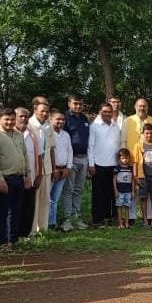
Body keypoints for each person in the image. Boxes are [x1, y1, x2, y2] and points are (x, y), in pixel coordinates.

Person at [0, 108, 28, 250]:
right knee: (4, 210)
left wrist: (27, 174)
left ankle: (13, 239)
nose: (10, 122)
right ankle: (3, 241)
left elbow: (24, 155)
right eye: (6, 119)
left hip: (19, 177)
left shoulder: (18, 135)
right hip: (5, 178)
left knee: (16, 210)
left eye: (12, 119)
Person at [124, 98, 152, 223]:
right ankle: (131, 216)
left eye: (144, 106)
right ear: (135, 107)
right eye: (139, 105)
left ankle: (149, 218)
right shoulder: (128, 121)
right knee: (132, 190)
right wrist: (124, 159)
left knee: (149, 191)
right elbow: (123, 141)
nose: (142, 108)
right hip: (131, 161)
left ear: (148, 107)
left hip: (150, 163)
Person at [88, 103, 121, 226]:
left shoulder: (115, 125)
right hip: (98, 164)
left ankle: (109, 217)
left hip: (113, 164)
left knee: (110, 192)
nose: (108, 114)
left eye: (110, 111)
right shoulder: (94, 126)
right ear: (100, 112)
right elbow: (90, 146)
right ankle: (97, 219)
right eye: (105, 111)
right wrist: (91, 164)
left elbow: (117, 144)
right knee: (98, 193)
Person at [29, 100, 57, 236]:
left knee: (45, 199)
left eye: (47, 111)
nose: (45, 114)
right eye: (42, 111)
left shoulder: (48, 126)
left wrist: (54, 167)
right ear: (35, 111)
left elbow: (51, 148)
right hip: (34, 168)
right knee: (34, 200)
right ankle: (32, 230)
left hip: (47, 167)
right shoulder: (29, 124)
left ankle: (43, 228)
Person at [62, 94, 90, 231]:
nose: (78, 106)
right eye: (75, 103)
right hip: (71, 158)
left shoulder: (84, 118)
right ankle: (67, 220)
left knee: (79, 189)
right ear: (69, 103)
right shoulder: (64, 118)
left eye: (80, 104)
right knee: (69, 189)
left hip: (84, 158)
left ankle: (76, 217)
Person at [16, 107, 42, 238]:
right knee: (16, 206)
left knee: (28, 206)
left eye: (26, 116)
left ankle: (26, 234)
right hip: (15, 178)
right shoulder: (10, 134)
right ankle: (14, 235)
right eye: (21, 116)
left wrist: (39, 174)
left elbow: (39, 156)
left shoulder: (32, 135)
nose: (23, 119)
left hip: (31, 177)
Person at [132, 123, 152, 227]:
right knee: (143, 198)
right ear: (143, 134)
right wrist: (135, 176)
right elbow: (135, 162)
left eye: (151, 133)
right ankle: (145, 220)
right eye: (147, 133)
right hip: (143, 177)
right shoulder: (138, 146)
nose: (149, 135)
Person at [49, 110, 73, 230]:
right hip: (52, 171)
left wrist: (68, 167)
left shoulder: (65, 135)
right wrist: (53, 169)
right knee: (47, 199)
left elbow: (70, 151)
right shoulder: (48, 134)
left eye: (63, 119)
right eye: (58, 119)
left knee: (55, 199)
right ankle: (46, 224)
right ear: (51, 119)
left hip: (63, 171)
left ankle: (53, 223)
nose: (61, 121)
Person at [114, 149, 135, 229]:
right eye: (123, 158)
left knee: (127, 206)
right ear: (119, 159)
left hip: (128, 191)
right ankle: (120, 223)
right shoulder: (117, 168)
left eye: (126, 158)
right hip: (119, 191)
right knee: (119, 206)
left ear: (129, 158)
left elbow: (132, 180)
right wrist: (116, 190)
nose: (125, 160)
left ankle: (126, 223)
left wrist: (133, 191)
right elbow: (114, 180)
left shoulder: (130, 168)